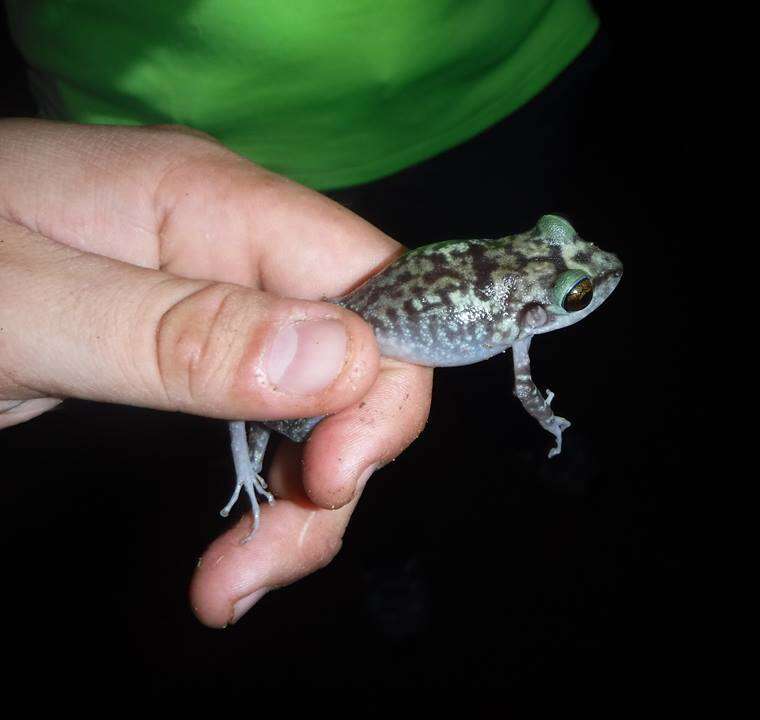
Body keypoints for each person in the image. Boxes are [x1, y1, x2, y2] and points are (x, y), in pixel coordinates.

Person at [0, 1, 600, 627]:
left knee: (350, 434)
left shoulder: (505, 286)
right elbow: (524, 388)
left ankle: (476, 484)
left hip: (488, 91)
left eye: (572, 291)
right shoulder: (520, 332)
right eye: (575, 296)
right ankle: (355, 523)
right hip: (335, 226)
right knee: (307, 420)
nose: (585, 288)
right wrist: (548, 417)